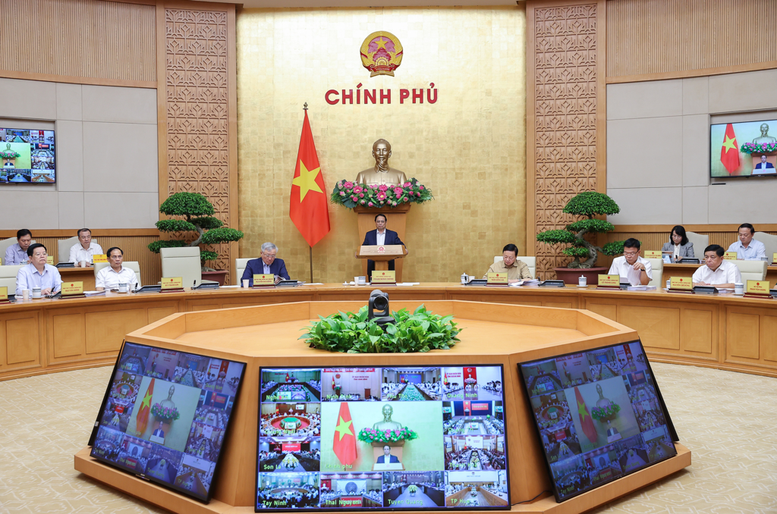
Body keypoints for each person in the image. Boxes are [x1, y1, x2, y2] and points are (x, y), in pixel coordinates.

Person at [362, 213, 405, 280]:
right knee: (373, 286)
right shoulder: (369, 234)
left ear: (386, 222)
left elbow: (401, 246)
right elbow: (363, 248)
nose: (380, 223)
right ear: (375, 222)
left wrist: (405, 249)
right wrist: (358, 252)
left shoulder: (393, 234)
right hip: (372, 266)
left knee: (388, 285)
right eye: (378, 221)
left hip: (389, 265)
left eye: (382, 221)